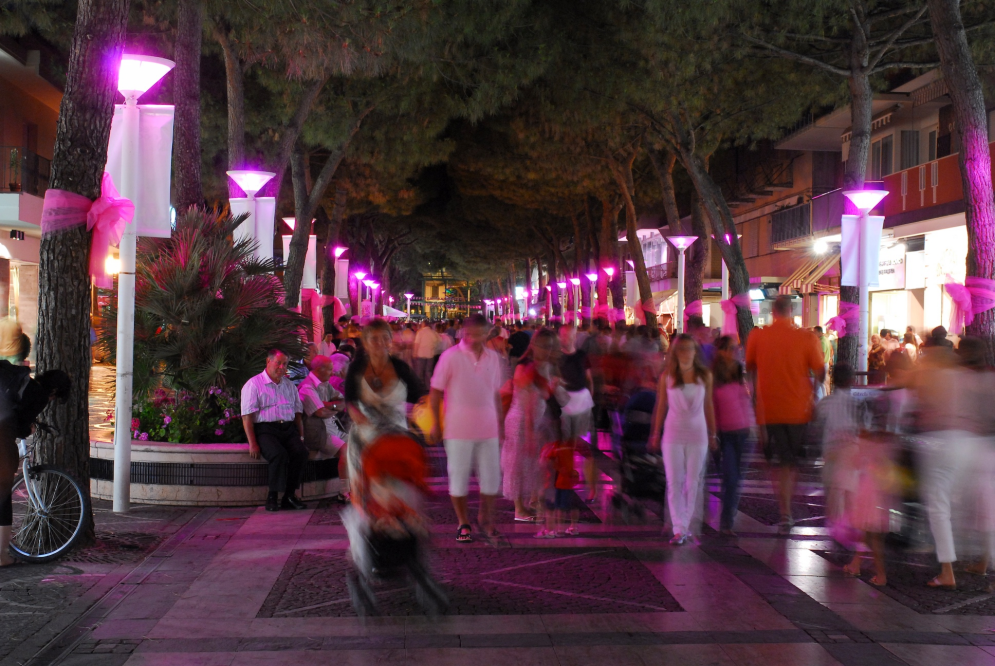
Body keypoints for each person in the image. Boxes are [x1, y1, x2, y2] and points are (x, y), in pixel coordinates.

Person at [746, 295, 825, 533]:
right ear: (791, 310)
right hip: (798, 410)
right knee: (791, 464)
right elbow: (820, 372)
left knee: (776, 464)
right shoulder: (807, 337)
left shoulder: (758, 336)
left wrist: (755, 394)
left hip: (768, 410)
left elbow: (750, 368)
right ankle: (788, 509)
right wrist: (812, 390)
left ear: (773, 311)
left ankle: (784, 510)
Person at [430, 314, 505, 543]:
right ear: (464, 332)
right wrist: (436, 422)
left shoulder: (493, 358)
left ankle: (487, 518)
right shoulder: (450, 356)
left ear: (488, 333)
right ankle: (463, 521)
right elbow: (436, 391)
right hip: (457, 428)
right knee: (459, 477)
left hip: (488, 426)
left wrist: (500, 424)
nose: (475, 338)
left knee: (491, 477)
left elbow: (496, 393)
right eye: (471, 334)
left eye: (481, 334)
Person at [344, 319, 426, 500]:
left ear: (390, 340)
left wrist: (420, 414)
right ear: (365, 342)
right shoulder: (356, 367)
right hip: (366, 437)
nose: (380, 343)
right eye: (374, 339)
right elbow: (350, 400)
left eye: (384, 338)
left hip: (396, 436)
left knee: (396, 492)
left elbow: (417, 397)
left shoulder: (401, 367)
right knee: (368, 493)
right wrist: (354, 411)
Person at [0, 364, 71, 567]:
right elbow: (18, 426)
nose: (50, 401)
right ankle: (2, 556)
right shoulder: (39, 394)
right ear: (54, 391)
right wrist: (28, 429)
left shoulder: (22, 383)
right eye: (54, 399)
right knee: (3, 492)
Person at [649, 334, 716, 545]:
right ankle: (678, 527)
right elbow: (661, 406)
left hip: (698, 433)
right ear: (675, 352)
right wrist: (655, 432)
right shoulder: (667, 376)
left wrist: (713, 434)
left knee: (692, 481)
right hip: (673, 433)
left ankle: (686, 524)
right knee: (674, 480)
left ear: (696, 352)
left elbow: (709, 406)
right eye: (682, 349)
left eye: (690, 348)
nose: (686, 353)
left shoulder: (704, 376)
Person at [241, 349, 309, 512]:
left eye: (284, 364)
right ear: (268, 362)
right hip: (266, 429)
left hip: (287, 427)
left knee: (301, 453)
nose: (281, 367)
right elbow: (247, 417)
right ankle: (272, 496)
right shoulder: (254, 384)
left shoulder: (289, 385)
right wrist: (253, 444)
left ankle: (290, 496)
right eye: (278, 362)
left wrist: (300, 436)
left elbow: (298, 413)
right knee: (278, 455)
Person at [502, 329, 556, 522]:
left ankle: (532, 501)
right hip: (521, 421)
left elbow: (545, 393)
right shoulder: (525, 366)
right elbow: (526, 400)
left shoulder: (543, 366)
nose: (548, 351)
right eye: (545, 346)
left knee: (534, 464)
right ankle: (519, 509)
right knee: (518, 464)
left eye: (550, 347)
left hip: (536, 421)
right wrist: (530, 430)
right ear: (534, 346)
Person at [711, 336, 755, 536]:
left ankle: (727, 521)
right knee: (730, 478)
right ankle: (725, 522)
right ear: (719, 351)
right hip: (724, 434)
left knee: (736, 480)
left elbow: (746, 401)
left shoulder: (739, 372)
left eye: (735, 348)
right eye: (729, 348)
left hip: (744, 433)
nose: (733, 352)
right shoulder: (712, 376)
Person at [557, 324, 596, 499]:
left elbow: (589, 379)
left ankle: (591, 488)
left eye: (570, 336)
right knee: (565, 445)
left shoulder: (581, 356)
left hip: (581, 403)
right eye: (564, 336)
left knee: (584, 446)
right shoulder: (556, 357)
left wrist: (590, 397)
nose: (567, 339)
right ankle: (566, 483)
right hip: (564, 403)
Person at [298, 355, 346, 459]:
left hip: (335, 429)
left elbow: (343, 402)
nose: (333, 373)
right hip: (320, 434)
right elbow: (321, 412)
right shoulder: (307, 387)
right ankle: (345, 476)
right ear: (319, 369)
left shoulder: (325, 383)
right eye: (330, 370)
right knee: (347, 452)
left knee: (361, 446)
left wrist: (326, 404)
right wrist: (335, 407)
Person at [412, 320, 440, 388]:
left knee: (419, 371)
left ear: (424, 324)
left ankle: (419, 386)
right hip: (430, 354)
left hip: (420, 354)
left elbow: (416, 344)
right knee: (428, 371)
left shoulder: (420, 332)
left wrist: (414, 353)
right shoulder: (433, 333)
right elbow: (438, 342)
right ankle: (429, 386)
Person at [814, 325, 833, 398]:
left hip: (822, 364)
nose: (814, 334)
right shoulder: (825, 339)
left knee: (819, 385)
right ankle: (824, 398)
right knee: (822, 384)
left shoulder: (822, 341)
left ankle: (822, 399)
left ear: (819, 332)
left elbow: (822, 355)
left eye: (815, 332)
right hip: (825, 364)